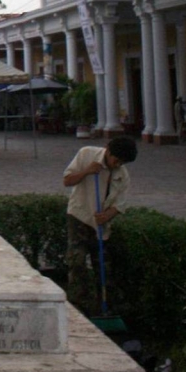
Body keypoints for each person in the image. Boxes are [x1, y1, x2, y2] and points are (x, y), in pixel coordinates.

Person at [63, 135, 137, 315]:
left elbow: (120, 204)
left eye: (122, 163)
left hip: (101, 224)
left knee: (103, 266)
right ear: (108, 150)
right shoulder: (86, 154)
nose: (117, 165)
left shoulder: (122, 174)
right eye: (116, 160)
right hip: (80, 216)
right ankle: (79, 304)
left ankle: (105, 306)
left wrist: (107, 215)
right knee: (77, 261)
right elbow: (67, 180)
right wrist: (87, 171)